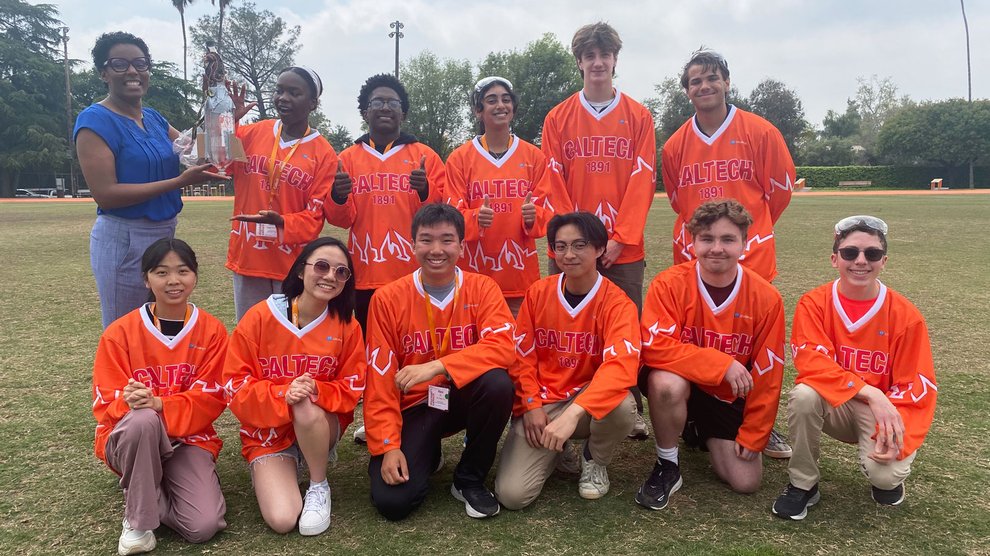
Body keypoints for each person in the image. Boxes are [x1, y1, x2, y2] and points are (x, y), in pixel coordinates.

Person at [661, 48, 796, 459]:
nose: (704, 86)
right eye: (696, 81)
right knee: (697, 340)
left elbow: (779, 191)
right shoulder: (675, 145)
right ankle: (697, 416)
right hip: (696, 259)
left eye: (712, 78)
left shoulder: (760, 132)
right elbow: (678, 200)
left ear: (726, 82)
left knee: (754, 347)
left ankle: (759, 422)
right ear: (687, 90)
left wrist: (746, 235)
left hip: (749, 257)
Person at [772, 216, 938, 520]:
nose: (861, 261)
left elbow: (917, 385)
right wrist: (871, 393)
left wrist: (894, 427)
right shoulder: (814, 303)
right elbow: (812, 362)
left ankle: (886, 477)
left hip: (882, 410)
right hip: (839, 403)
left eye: (872, 254)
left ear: (884, 261)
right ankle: (803, 483)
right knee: (804, 395)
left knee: (885, 476)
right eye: (850, 252)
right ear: (834, 259)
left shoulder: (905, 315)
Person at [364, 203, 516, 521]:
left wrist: (438, 365)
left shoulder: (483, 288)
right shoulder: (387, 299)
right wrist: (388, 445)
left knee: (498, 383)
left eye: (447, 240)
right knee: (394, 503)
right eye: (426, 240)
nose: (436, 250)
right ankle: (426, 451)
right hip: (416, 404)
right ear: (412, 245)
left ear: (461, 246)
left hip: (463, 398)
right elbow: (379, 378)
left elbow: (503, 347)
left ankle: (469, 478)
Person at [541, 22, 657, 439]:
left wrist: (620, 237)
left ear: (614, 60)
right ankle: (562, 400)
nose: (597, 62)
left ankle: (630, 404)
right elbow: (553, 179)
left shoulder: (639, 116)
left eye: (604, 54)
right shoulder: (558, 117)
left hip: (623, 249)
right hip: (572, 249)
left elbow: (644, 178)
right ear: (579, 62)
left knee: (626, 329)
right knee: (564, 330)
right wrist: (577, 243)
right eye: (589, 55)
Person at [635, 200, 785, 511]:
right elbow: (654, 345)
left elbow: (769, 372)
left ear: (744, 243)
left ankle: (697, 427)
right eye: (707, 239)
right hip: (682, 383)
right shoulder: (669, 284)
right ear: (693, 242)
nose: (716, 248)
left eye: (728, 239)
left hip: (725, 394)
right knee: (666, 384)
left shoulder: (766, 297)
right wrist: (721, 363)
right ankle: (667, 464)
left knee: (745, 481)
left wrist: (755, 432)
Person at [75, 32, 223, 329]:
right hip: (124, 238)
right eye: (120, 64)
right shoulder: (94, 121)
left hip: (164, 235)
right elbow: (106, 194)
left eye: (140, 63)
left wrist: (221, 117)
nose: (132, 71)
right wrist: (178, 183)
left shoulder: (153, 118)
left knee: (161, 325)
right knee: (125, 329)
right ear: (104, 73)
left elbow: (195, 154)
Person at [92, 238, 228, 555]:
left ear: (195, 276)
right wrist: (130, 401)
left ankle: (143, 486)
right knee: (142, 420)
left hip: (188, 439)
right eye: (161, 272)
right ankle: (138, 523)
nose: (173, 281)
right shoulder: (120, 332)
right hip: (132, 437)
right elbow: (105, 403)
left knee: (203, 526)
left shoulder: (212, 331)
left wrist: (161, 403)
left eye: (182, 271)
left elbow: (213, 398)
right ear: (146, 279)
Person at [494, 212, 638, 509]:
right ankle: (557, 451)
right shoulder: (538, 293)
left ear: (599, 249)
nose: (569, 254)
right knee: (512, 495)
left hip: (586, 404)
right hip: (544, 402)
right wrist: (531, 405)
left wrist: (572, 415)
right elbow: (522, 357)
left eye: (579, 245)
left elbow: (620, 366)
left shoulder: (616, 302)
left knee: (622, 406)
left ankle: (594, 458)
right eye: (560, 247)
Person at [224, 237, 366, 536]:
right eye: (322, 266)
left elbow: (353, 386)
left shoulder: (347, 326)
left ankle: (318, 484)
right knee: (283, 519)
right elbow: (234, 384)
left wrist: (315, 389)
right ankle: (285, 465)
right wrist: (282, 393)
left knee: (304, 403)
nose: (330, 276)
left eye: (341, 272)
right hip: (269, 432)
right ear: (301, 270)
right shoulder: (260, 317)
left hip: (319, 423)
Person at [325, 73, 445, 331]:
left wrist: (425, 190)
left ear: (403, 114)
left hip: (415, 273)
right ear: (365, 112)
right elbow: (340, 220)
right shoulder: (347, 159)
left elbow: (441, 217)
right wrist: (338, 196)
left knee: (415, 341)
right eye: (377, 102)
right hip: (365, 274)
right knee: (371, 344)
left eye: (393, 103)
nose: (385, 108)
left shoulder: (425, 156)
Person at [227, 67, 337, 321]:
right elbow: (216, 163)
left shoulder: (324, 154)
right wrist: (227, 122)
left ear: (312, 103)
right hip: (248, 256)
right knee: (249, 332)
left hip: (291, 265)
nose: (283, 98)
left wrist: (282, 222)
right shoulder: (251, 133)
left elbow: (315, 217)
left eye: (294, 93)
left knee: (289, 334)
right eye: (279, 90)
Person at [445, 76, 554, 317]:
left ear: (513, 108)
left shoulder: (534, 157)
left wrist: (533, 217)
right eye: (491, 100)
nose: (500, 105)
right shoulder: (459, 159)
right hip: (473, 277)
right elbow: (451, 216)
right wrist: (475, 218)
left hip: (519, 277)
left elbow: (546, 212)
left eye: (506, 99)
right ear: (478, 110)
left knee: (518, 337)